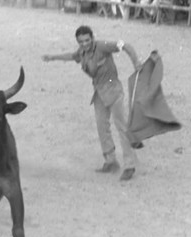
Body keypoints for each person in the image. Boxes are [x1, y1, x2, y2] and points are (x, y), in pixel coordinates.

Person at [42, 25, 142, 181]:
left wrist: (136, 62)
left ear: (92, 38)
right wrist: (53, 57)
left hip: (114, 91)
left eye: (87, 40)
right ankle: (111, 161)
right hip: (99, 93)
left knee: (121, 127)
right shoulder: (81, 52)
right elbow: (71, 56)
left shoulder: (102, 46)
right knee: (102, 127)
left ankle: (130, 165)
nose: (84, 44)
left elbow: (126, 45)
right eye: (81, 41)